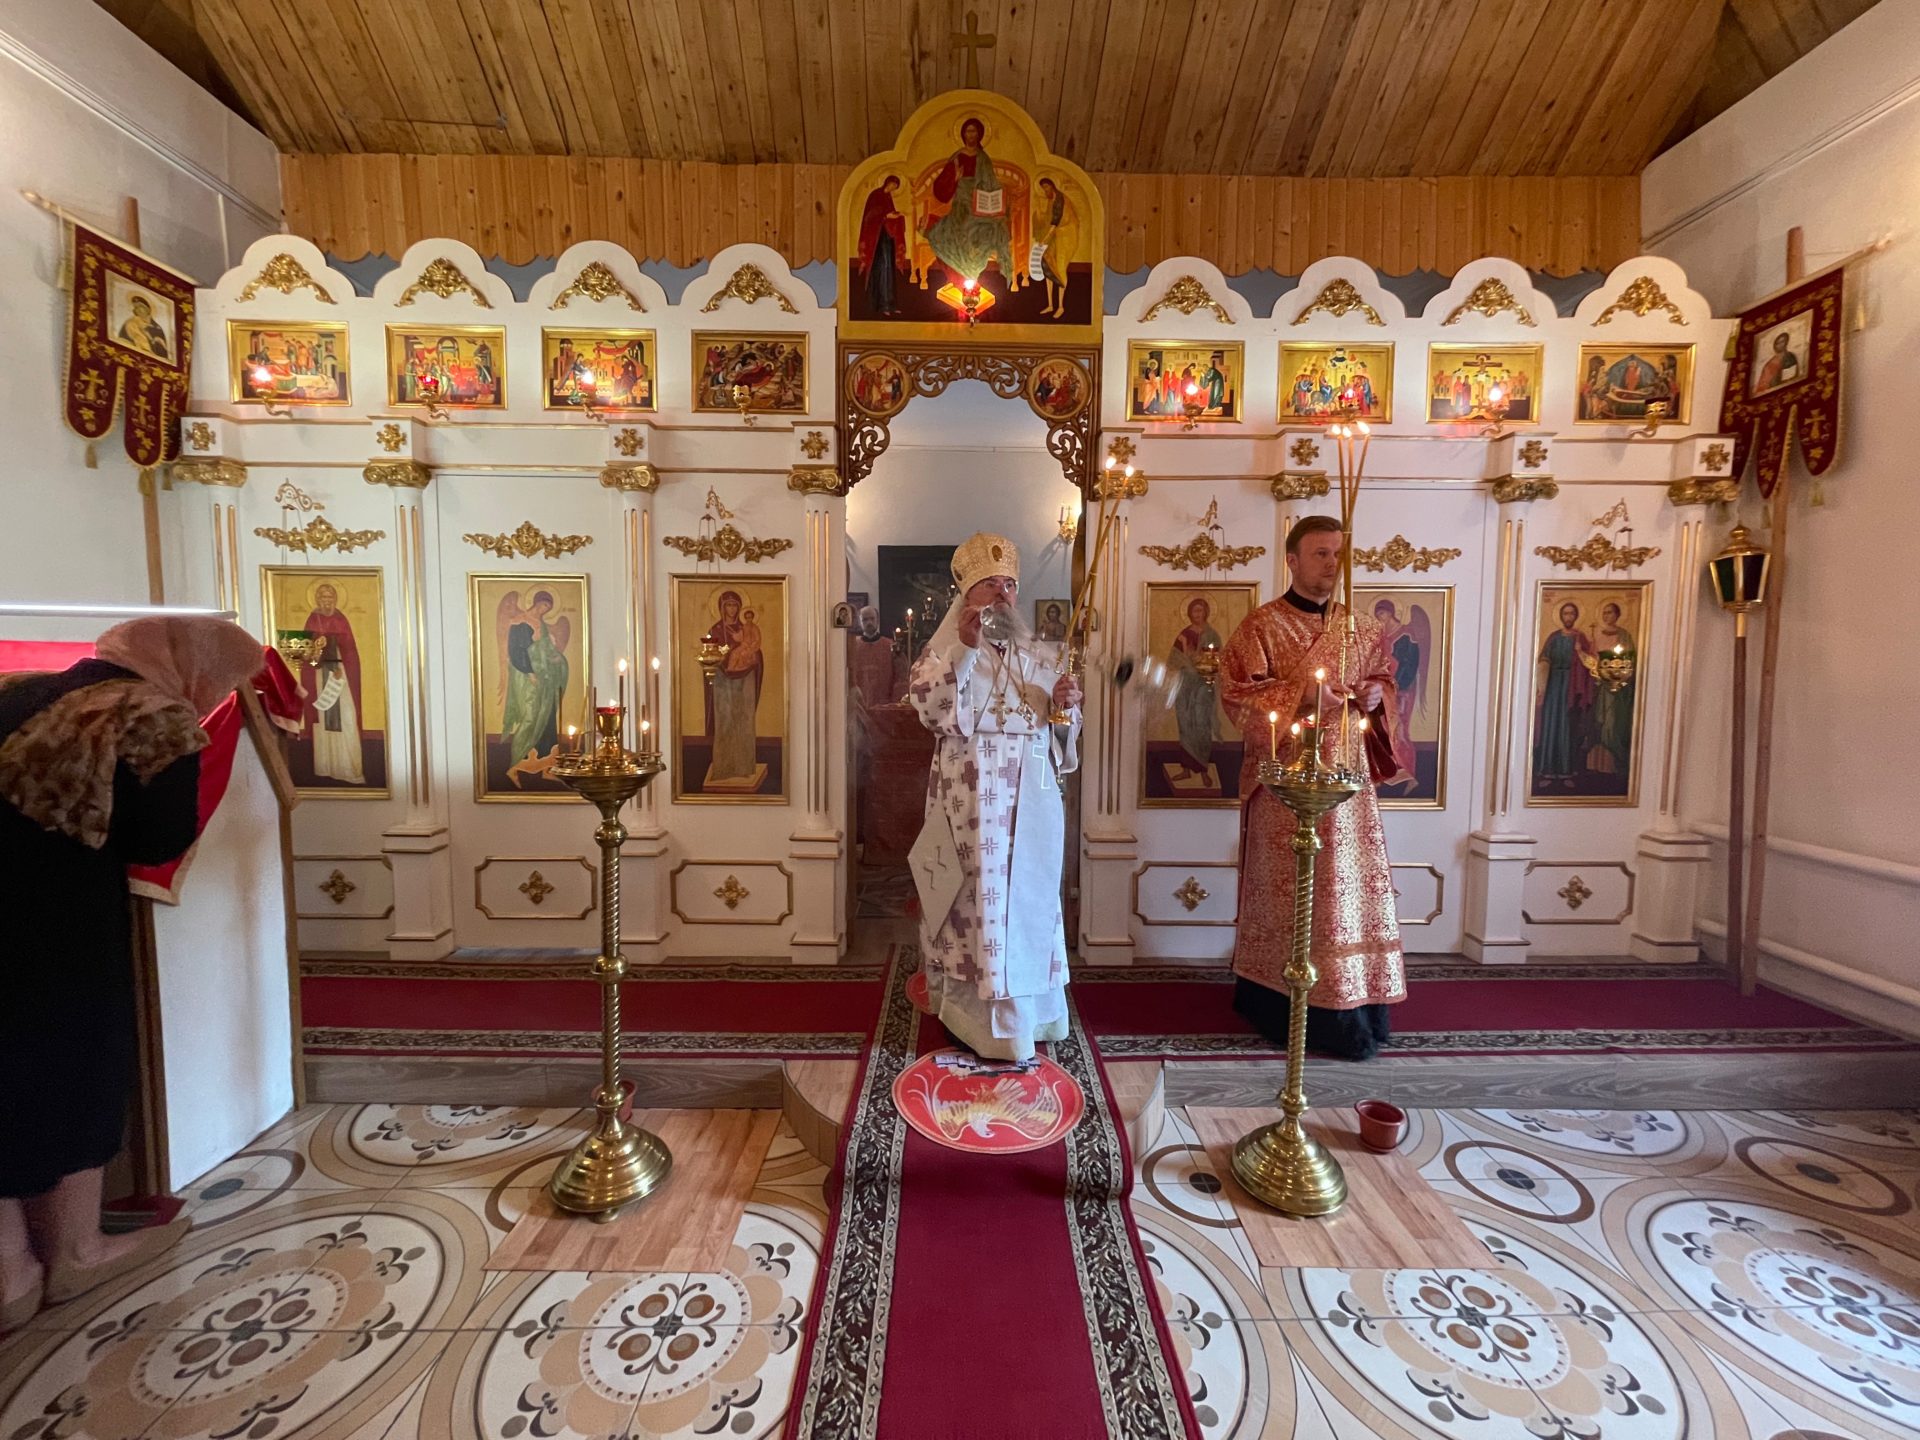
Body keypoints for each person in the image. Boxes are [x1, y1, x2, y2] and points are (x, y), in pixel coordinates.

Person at [0, 615, 263, 1328]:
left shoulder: (19, 694)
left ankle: (10, 1270)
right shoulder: (151, 715)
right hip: (59, 924)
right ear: (192, 666)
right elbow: (158, 836)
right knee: (73, 1069)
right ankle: (75, 1251)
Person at [1220, 516, 1406, 1061]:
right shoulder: (1261, 627)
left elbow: (1384, 683)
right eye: (1320, 553)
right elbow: (1235, 696)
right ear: (1292, 560)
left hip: (1348, 787)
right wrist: (1301, 696)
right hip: (1285, 784)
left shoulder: (1362, 628)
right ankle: (1276, 1003)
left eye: (1337, 554)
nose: (1331, 563)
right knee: (1293, 891)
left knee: (1344, 889)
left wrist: (1375, 696)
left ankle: (1351, 1003)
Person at [908, 533, 1082, 1061]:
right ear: (967, 594)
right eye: (989, 585)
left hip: (1033, 799)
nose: (1003, 594)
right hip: (973, 803)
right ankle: (980, 1023)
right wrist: (964, 650)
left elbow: (1059, 737)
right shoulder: (943, 652)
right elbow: (931, 710)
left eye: (1009, 584)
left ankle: (1034, 1016)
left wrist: (1065, 708)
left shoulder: (1039, 655)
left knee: (1030, 900)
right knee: (978, 905)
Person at [923, 116, 1011, 290]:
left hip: (981, 203)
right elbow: (940, 186)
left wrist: (997, 199)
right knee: (953, 233)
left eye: (974, 131)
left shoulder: (984, 158)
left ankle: (971, 276)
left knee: (986, 230)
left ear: (979, 135)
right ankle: (961, 277)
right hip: (962, 203)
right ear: (963, 134)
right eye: (968, 131)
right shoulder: (957, 157)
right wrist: (954, 178)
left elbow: (991, 183)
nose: (971, 135)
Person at [301, 581, 366, 784]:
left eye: (330, 597)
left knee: (346, 717)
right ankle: (326, 766)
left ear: (335, 599)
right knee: (323, 718)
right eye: (323, 597)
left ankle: (348, 767)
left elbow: (350, 650)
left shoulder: (340, 619)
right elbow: (307, 655)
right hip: (320, 675)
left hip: (340, 674)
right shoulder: (312, 620)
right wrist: (315, 649)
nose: (326, 601)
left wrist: (342, 668)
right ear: (317, 599)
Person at [498, 591, 570, 775]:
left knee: (547, 716)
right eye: (544, 605)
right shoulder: (520, 622)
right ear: (536, 602)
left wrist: (555, 657)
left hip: (544, 678)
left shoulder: (543, 626)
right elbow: (516, 652)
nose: (544, 610)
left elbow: (545, 650)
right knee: (530, 717)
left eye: (548, 608)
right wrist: (530, 672)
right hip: (526, 677)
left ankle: (546, 765)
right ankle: (516, 763)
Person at [1533, 601, 1595, 792]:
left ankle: (1567, 772)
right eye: (1566, 614)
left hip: (1571, 686)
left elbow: (1591, 663)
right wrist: (1542, 684)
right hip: (1553, 685)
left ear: (1576, 617)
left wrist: (1580, 651)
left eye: (1571, 614)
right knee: (1550, 726)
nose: (1568, 617)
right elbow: (1543, 660)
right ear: (1561, 616)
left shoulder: (1580, 637)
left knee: (1567, 728)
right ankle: (1547, 771)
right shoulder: (1553, 637)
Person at [704, 590, 764, 783]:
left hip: (745, 678)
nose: (731, 609)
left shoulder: (746, 628)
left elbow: (757, 650)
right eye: (728, 605)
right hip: (723, 679)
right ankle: (723, 768)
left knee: (744, 719)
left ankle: (744, 767)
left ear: (739, 608)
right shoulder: (715, 630)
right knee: (726, 720)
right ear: (722, 608)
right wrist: (726, 654)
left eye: (734, 605)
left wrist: (750, 654)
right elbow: (709, 655)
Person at [1168, 596, 1222, 781]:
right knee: (1185, 724)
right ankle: (1186, 769)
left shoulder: (1212, 635)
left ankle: (1204, 769)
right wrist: (1187, 654)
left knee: (1201, 723)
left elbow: (1216, 660)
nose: (1197, 614)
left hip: (1203, 685)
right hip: (1185, 684)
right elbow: (1173, 660)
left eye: (1200, 610)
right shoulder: (1184, 634)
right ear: (1189, 613)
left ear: (1206, 612)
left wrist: (1195, 657)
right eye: (1194, 611)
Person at [857, 176, 908, 316]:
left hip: (887, 238)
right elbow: (869, 216)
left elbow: (888, 214)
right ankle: (883, 305)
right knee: (882, 270)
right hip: (877, 241)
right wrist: (885, 216)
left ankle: (891, 304)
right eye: (892, 185)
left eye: (895, 187)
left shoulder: (888, 198)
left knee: (889, 270)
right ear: (887, 182)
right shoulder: (875, 195)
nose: (893, 188)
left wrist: (896, 216)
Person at [848, 604, 899, 709]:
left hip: (885, 705)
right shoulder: (853, 647)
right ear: (860, 622)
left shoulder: (890, 645)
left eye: (872, 618)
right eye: (865, 620)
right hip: (859, 704)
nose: (869, 622)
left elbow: (898, 676)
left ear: (877, 620)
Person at [115, 293, 170, 360]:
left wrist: (155, 342)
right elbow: (122, 340)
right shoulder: (130, 323)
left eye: (140, 306)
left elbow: (163, 353)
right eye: (136, 307)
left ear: (147, 309)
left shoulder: (157, 329)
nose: (138, 309)